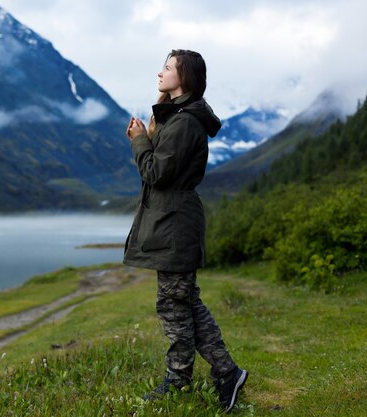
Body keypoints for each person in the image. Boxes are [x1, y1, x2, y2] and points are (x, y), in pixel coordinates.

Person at [123, 49, 248, 413]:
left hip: (174, 224)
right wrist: (149, 133)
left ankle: (200, 375)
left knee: (174, 304)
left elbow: (156, 174)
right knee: (183, 302)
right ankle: (213, 374)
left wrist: (139, 141)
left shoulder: (184, 123)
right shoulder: (178, 118)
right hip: (172, 221)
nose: (160, 73)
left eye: (167, 68)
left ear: (185, 77)